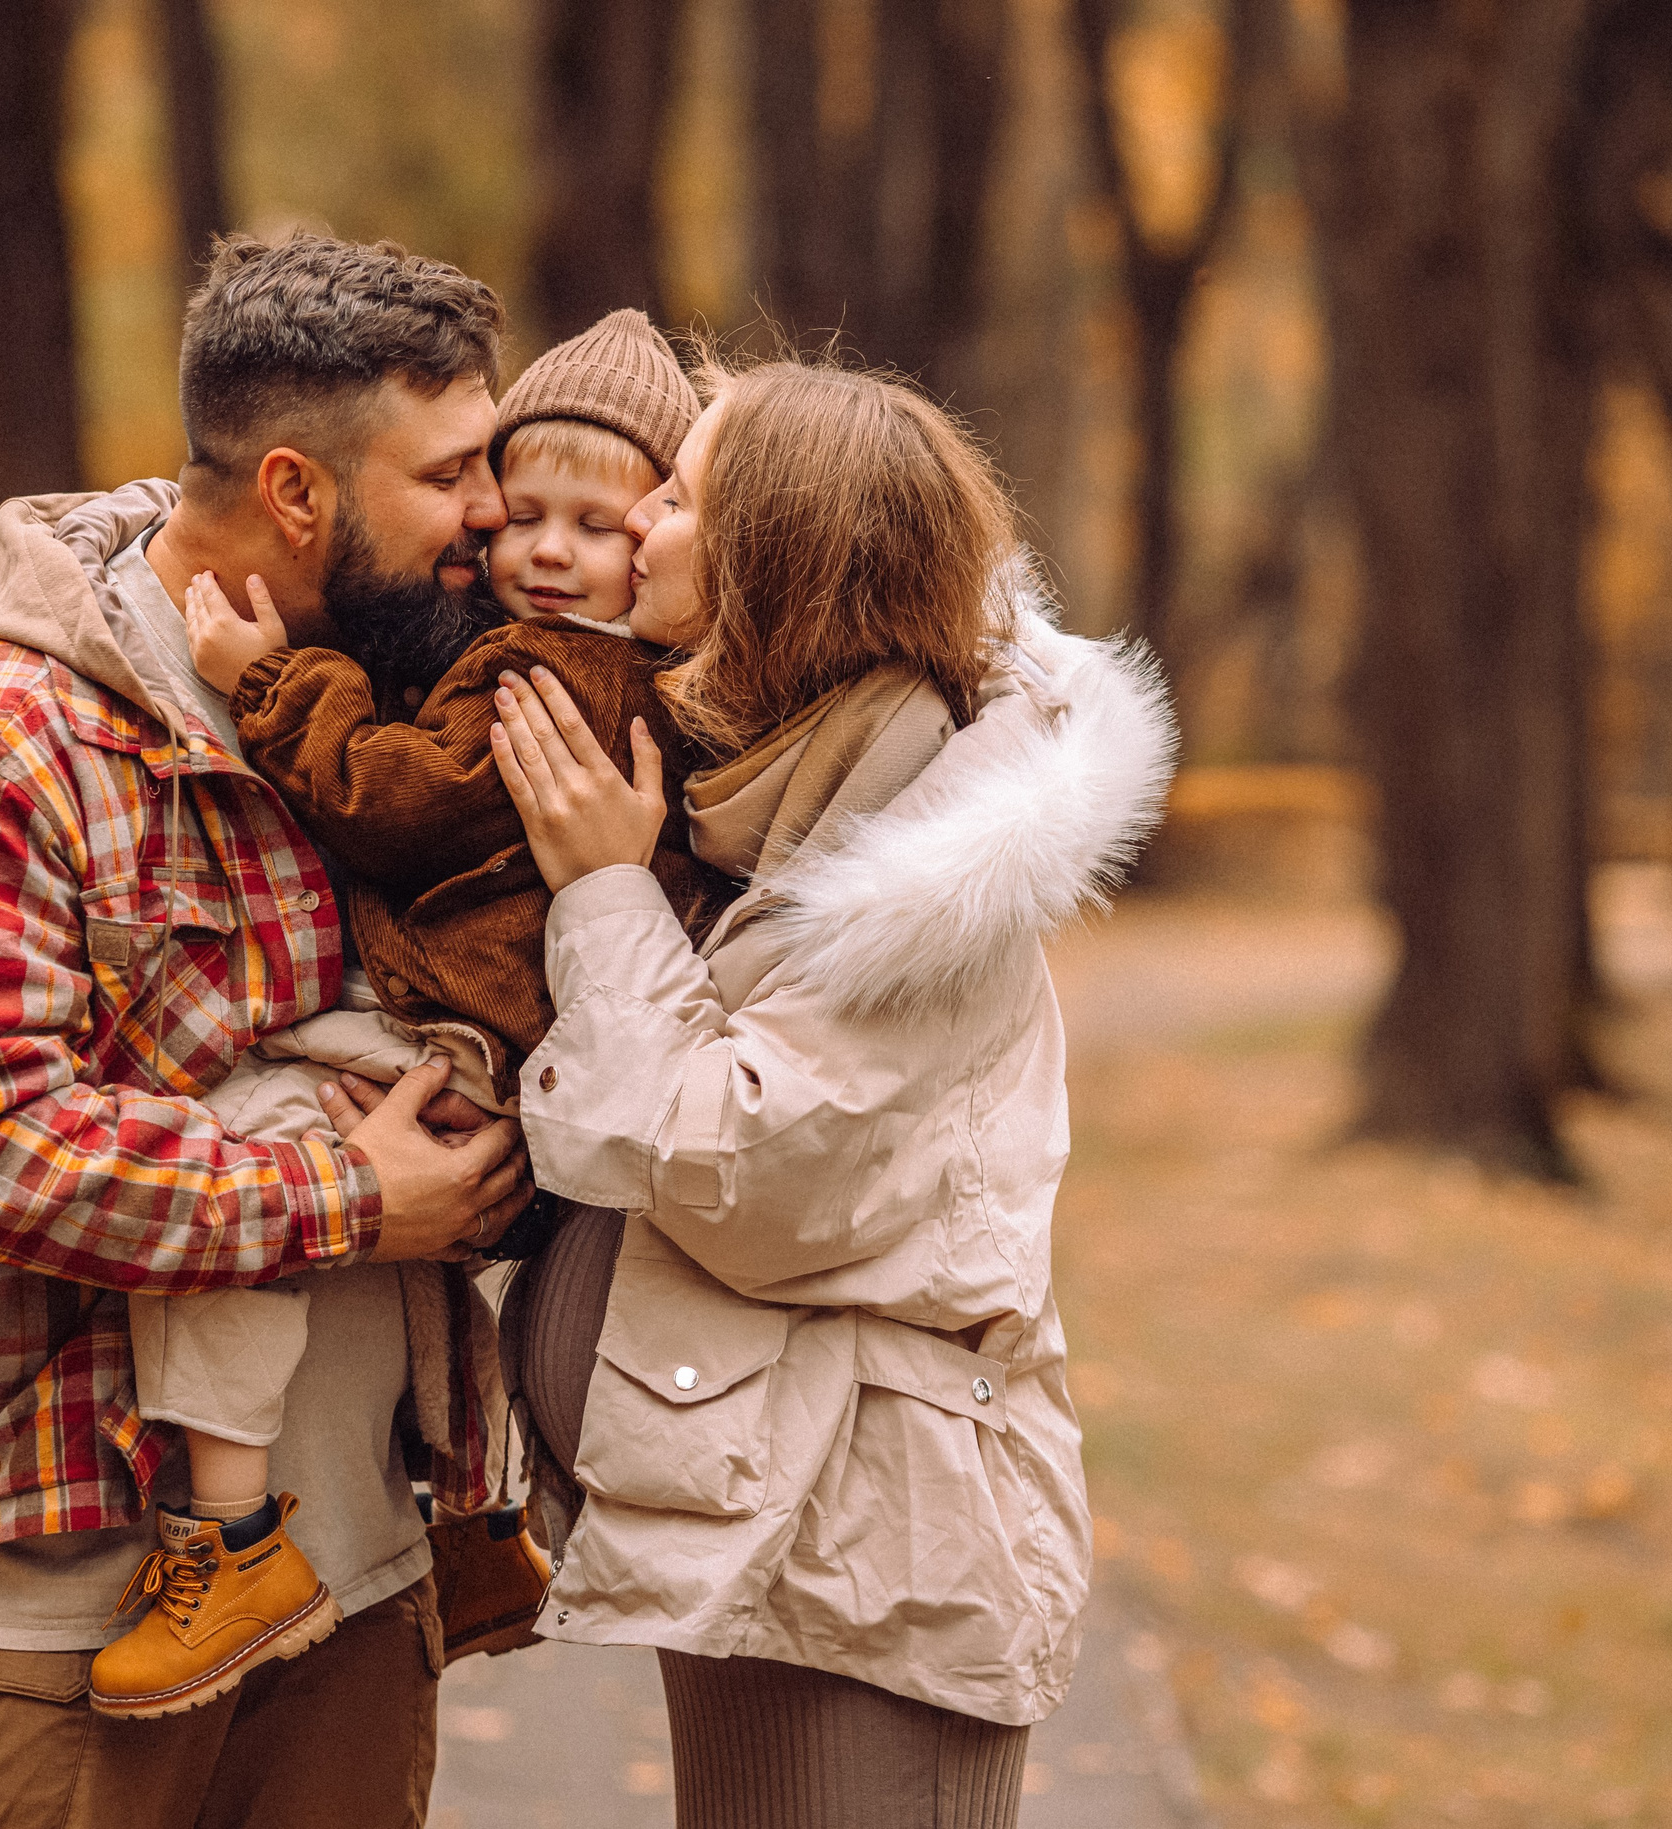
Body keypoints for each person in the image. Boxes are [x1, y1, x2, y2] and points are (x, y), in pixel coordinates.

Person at [0, 232, 536, 1829]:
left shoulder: (380, 716)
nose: (496, 513)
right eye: (455, 472)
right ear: (296, 493)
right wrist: (343, 1200)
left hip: (354, 1584)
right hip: (59, 1615)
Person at [484, 358, 1177, 1828]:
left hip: (874, 1569)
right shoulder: (800, 792)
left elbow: (743, 1170)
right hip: (789, 1533)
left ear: (769, 568)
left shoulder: (924, 879)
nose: (636, 527)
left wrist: (603, 893)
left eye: (677, 498)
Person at [92, 308, 712, 1717]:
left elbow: (399, 804)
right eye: (513, 507)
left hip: (463, 1024)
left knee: (251, 1139)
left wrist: (269, 684)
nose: (535, 542)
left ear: (661, 532)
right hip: (508, 1031)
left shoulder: (548, 671)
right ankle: (477, 1528)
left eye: (593, 524)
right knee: (410, 1241)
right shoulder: (634, 670)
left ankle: (227, 1537)